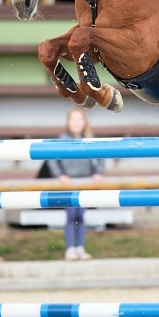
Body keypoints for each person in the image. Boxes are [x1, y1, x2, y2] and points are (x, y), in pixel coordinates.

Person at [45, 108, 105, 260]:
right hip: (69, 183)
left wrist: (98, 173)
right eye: (74, 119)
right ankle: (70, 248)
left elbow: (102, 157)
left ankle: (80, 247)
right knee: (71, 215)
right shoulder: (62, 139)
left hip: (85, 182)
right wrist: (60, 175)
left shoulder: (90, 138)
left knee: (81, 215)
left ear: (85, 123)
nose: (77, 123)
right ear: (68, 122)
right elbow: (52, 159)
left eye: (80, 119)